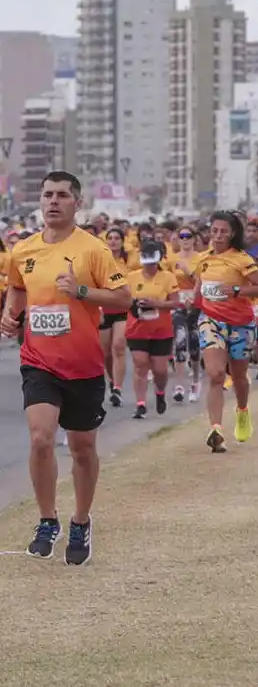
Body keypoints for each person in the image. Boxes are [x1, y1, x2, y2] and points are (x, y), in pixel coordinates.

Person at [1, 171, 132, 565]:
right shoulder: (23, 250)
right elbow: (18, 287)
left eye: (61, 195)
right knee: (41, 438)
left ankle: (80, 520)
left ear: (77, 203)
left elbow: (123, 298)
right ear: (40, 201)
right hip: (38, 360)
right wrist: (10, 314)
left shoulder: (93, 250)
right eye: (47, 195)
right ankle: (47, 520)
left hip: (84, 364)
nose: (53, 202)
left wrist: (81, 291)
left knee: (82, 449)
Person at [193, 212, 258, 453]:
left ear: (233, 233)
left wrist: (236, 290)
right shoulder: (203, 259)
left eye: (223, 231)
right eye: (214, 230)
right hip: (211, 321)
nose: (218, 235)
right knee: (215, 374)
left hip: (240, 323)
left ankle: (242, 411)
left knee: (239, 376)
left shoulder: (242, 259)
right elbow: (199, 289)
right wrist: (192, 304)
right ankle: (216, 430)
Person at [125, 240, 180, 419]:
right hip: (137, 328)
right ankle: (140, 404)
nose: (149, 265)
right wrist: (134, 304)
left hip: (161, 330)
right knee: (140, 364)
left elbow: (176, 303)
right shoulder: (131, 277)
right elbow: (123, 299)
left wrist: (156, 304)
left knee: (160, 370)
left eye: (152, 262)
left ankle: (160, 393)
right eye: (146, 261)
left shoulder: (168, 277)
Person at [100, 227, 136, 406]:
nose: (113, 241)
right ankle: (112, 380)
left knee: (119, 346)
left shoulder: (129, 262)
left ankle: (118, 388)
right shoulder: (101, 261)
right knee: (105, 353)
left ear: (122, 242)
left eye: (116, 238)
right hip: (103, 310)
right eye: (110, 238)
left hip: (122, 310)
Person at [171, 225, 203, 403]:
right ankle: (179, 386)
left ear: (194, 239)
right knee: (180, 341)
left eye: (188, 236)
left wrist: (187, 271)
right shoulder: (172, 258)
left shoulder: (201, 258)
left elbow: (203, 281)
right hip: (179, 304)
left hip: (196, 303)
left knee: (194, 343)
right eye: (181, 236)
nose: (184, 239)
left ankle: (196, 381)